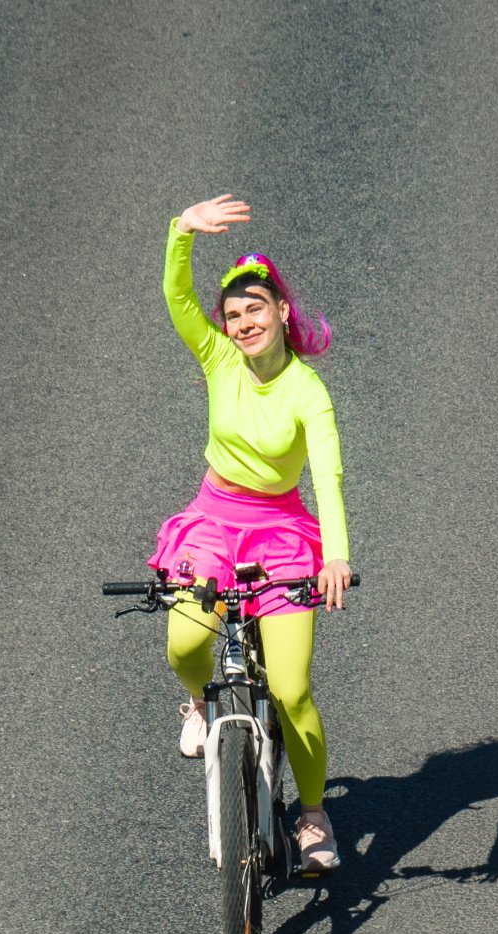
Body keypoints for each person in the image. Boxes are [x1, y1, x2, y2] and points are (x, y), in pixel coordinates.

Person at [151, 193, 353, 873]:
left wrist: (337, 558)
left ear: (282, 312)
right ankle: (196, 708)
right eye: (233, 314)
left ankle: (315, 814)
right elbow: (178, 297)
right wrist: (182, 231)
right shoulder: (217, 359)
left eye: (255, 310)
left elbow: (327, 475)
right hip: (213, 522)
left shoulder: (306, 391)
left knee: (292, 689)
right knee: (185, 641)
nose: (242, 324)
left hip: (283, 535)